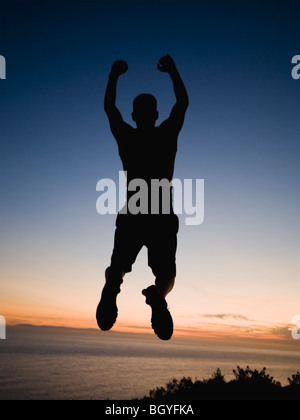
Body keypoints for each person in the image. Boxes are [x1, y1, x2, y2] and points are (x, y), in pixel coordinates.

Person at [96, 55, 189, 340]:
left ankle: (112, 286)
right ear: (156, 115)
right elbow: (182, 103)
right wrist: (173, 70)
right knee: (166, 275)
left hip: (133, 211)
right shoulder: (167, 134)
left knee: (118, 265)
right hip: (161, 211)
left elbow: (109, 108)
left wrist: (114, 75)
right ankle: (158, 294)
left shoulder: (127, 136)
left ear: (134, 116)